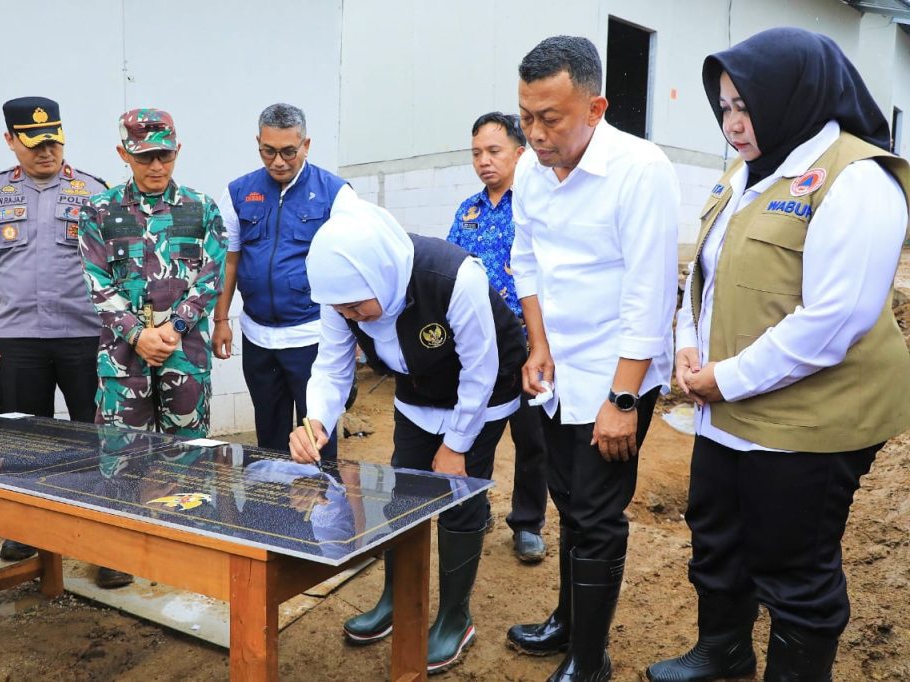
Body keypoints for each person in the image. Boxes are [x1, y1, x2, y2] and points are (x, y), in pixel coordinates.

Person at [646, 28, 910, 682]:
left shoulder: (857, 179)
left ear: (796, 95)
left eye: (746, 106)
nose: (733, 124)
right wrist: (687, 345)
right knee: (717, 535)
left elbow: (836, 319)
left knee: (794, 564)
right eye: (725, 107)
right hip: (725, 406)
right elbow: (703, 277)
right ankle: (724, 650)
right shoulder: (743, 174)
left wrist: (725, 378)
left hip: (809, 422)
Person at [288, 200, 526, 673]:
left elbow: (480, 371)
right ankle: (397, 599)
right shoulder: (342, 295)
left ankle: (455, 618)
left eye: (356, 306)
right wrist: (316, 420)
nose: (350, 316)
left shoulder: (453, 278)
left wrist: (456, 444)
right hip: (417, 394)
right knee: (400, 495)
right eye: (342, 309)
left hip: (481, 395)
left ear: (381, 275)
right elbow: (332, 367)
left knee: (459, 498)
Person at [507, 36, 680, 681]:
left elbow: (649, 292)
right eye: (526, 116)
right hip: (559, 368)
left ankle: (590, 658)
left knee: (599, 515)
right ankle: (567, 620)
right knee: (567, 497)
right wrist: (538, 345)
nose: (535, 133)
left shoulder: (640, 169)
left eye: (550, 118)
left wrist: (623, 399)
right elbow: (526, 260)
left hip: (616, 371)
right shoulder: (532, 168)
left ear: (595, 107)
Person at [0, 96, 107, 565]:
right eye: (35, 143)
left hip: (86, 337)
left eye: (54, 141)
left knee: (96, 438)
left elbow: (118, 267)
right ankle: (26, 529)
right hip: (18, 340)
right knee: (20, 439)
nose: (47, 151)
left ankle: (101, 543)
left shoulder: (94, 192)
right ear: (10, 140)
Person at [78, 109, 227, 585]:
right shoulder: (99, 211)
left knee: (188, 450)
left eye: (164, 155)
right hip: (124, 359)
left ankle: (187, 545)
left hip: (185, 354)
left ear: (177, 151)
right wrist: (137, 334)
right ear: (123, 154)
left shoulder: (201, 208)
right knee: (120, 453)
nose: (156, 166)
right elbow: (96, 281)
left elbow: (211, 276)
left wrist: (173, 328)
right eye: (144, 157)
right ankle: (117, 552)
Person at [212, 103, 358, 461]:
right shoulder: (238, 192)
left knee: (316, 437)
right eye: (268, 151)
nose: (278, 161)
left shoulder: (336, 193)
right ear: (258, 143)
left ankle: (322, 496)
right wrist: (221, 319)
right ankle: (270, 497)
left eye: (289, 152)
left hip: (313, 336)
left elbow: (353, 267)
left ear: (306, 145)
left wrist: (356, 335)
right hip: (258, 338)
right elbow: (229, 260)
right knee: (269, 437)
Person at [446, 111, 548, 564]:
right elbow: (449, 267)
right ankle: (476, 507)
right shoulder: (467, 211)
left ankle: (527, 523)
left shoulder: (537, 204)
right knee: (475, 431)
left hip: (528, 345)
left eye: (493, 151)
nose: (484, 161)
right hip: (476, 348)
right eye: (476, 153)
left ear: (520, 153)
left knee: (532, 439)